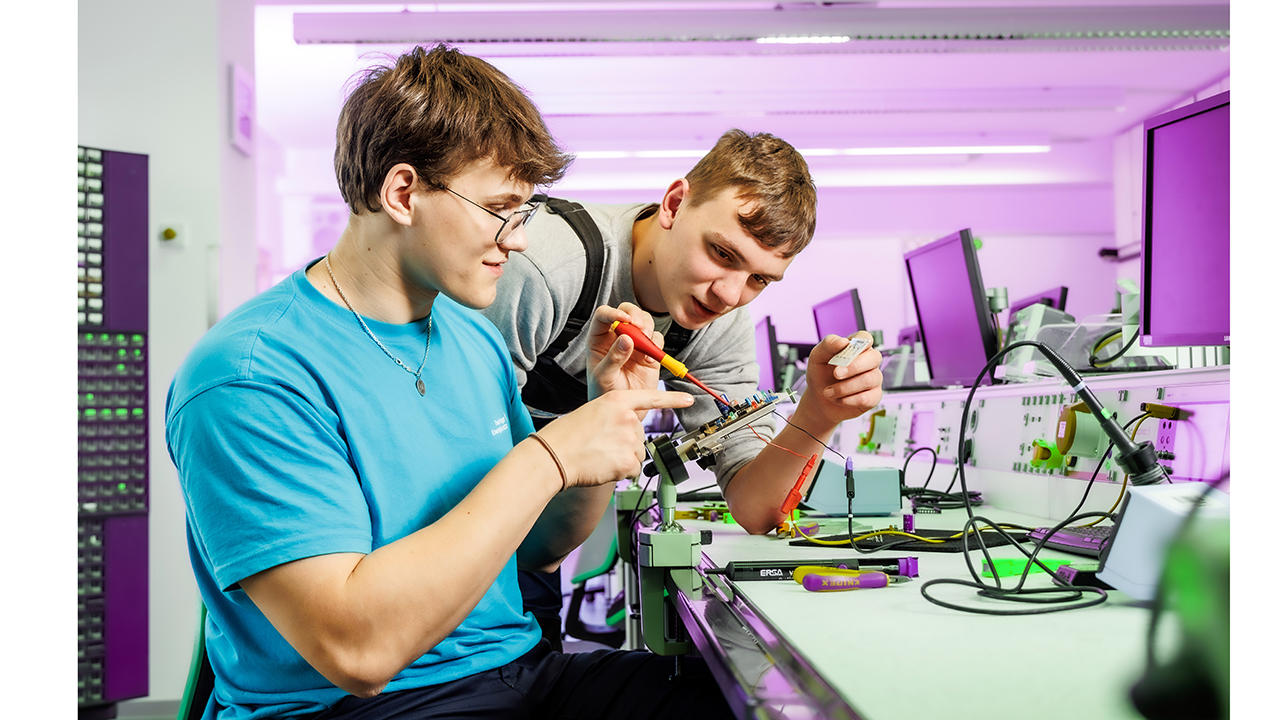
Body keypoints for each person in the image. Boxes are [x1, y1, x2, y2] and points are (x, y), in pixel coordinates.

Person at [165, 44, 733, 719]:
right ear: (402, 193)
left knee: (743, 700)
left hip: (514, 672)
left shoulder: (470, 339)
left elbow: (540, 546)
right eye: (501, 209)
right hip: (361, 706)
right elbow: (358, 652)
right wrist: (547, 457)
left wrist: (606, 416)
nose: (518, 239)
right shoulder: (250, 375)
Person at [481, 129, 885, 648]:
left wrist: (818, 413)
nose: (729, 294)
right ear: (674, 204)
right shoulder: (546, 267)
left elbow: (757, 509)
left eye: (760, 280)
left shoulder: (718, 326)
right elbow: (451, 459)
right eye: (721, 253)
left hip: (533, 538)